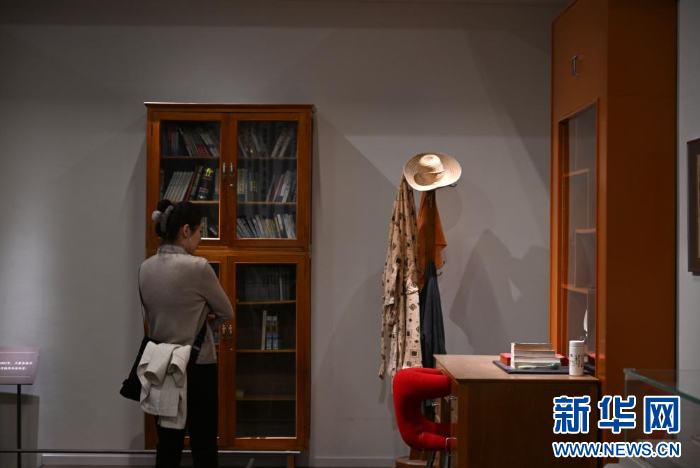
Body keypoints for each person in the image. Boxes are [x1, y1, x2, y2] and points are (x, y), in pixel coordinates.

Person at [139, 199, 233, 468]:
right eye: (200, 231)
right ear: (186, 230)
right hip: (197, 365)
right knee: (204, 444)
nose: (201, 238)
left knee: (168, 445)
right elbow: (226, 312)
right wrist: (203, 325)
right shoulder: (198, 267)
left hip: (161, 365)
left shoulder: (145, 268)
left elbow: (152, 316)